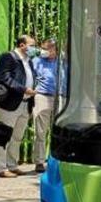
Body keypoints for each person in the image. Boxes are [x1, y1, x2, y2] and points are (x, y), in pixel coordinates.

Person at [0, 35, 38, 178]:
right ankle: (0, 167)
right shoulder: (8, 57)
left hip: (25, 104)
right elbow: (5, 77)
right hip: (9, 103)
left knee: (16, 137)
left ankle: (12, 165)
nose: (34, 49)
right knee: (1, 136)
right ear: (22, 45)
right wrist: (24, 89)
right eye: (31, 45)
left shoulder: (28, 61)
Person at [31, 38, 57, 173]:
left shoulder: (63, 62)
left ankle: (55, 160)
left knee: (58, 132)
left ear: (55, 49)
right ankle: (39, 161)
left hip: (60, 98)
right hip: (42, 96)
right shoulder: (37, 61)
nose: (45, 51)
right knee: (40, 131)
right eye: (43, 48)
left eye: (48, 48)